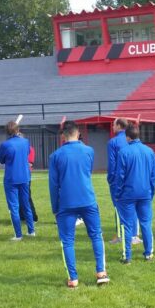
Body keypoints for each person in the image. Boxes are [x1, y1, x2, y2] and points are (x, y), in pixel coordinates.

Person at [49, 120, 110, 289]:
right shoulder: (88, 151)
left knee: (68, 241)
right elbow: (87, 171)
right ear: (78, 133)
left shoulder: (55, 156)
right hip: (87, 199)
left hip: (66, 203)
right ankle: (101, 273)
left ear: (63, 136)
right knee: (96, 235)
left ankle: (73, 279)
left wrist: (55, 207)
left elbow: (53, 185)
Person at [113, 124, 155, 264]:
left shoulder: (124, 152)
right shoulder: (149, 151)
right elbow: (153, 175)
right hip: (145, 193)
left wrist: (118, 192)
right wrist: (151, 191)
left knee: (126, 225)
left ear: (127, 137)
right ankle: (149, 253)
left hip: (128, 194)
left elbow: (120, 176)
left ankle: (127, 256)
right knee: (146, 223)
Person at [0, 120, 34, 240]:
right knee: (26, 204)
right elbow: (28, 153)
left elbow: (1, 160)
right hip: (25, 176)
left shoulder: (5, 145)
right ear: (18, 130)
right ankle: (31, 230)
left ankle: (18, 235)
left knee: (14, 206)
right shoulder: (25, 141)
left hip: (11, 178)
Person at [107, 118, 141, 245]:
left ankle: (121, 235)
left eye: (113, 125)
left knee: (119, 208)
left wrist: (110, 179)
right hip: (133, 178)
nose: (112, 127)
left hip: (118, 180)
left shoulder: (113, 142)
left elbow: (112, 163)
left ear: (119, 126)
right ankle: (134, 235)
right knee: (134, 207)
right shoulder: (133, 140)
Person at [19, 144, 39, 223]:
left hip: (25, 174)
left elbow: (30, 163)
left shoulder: (29, 148)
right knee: (18, 196)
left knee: (26, 195)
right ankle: (22, 216)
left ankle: (33, 217)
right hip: (18, 173)